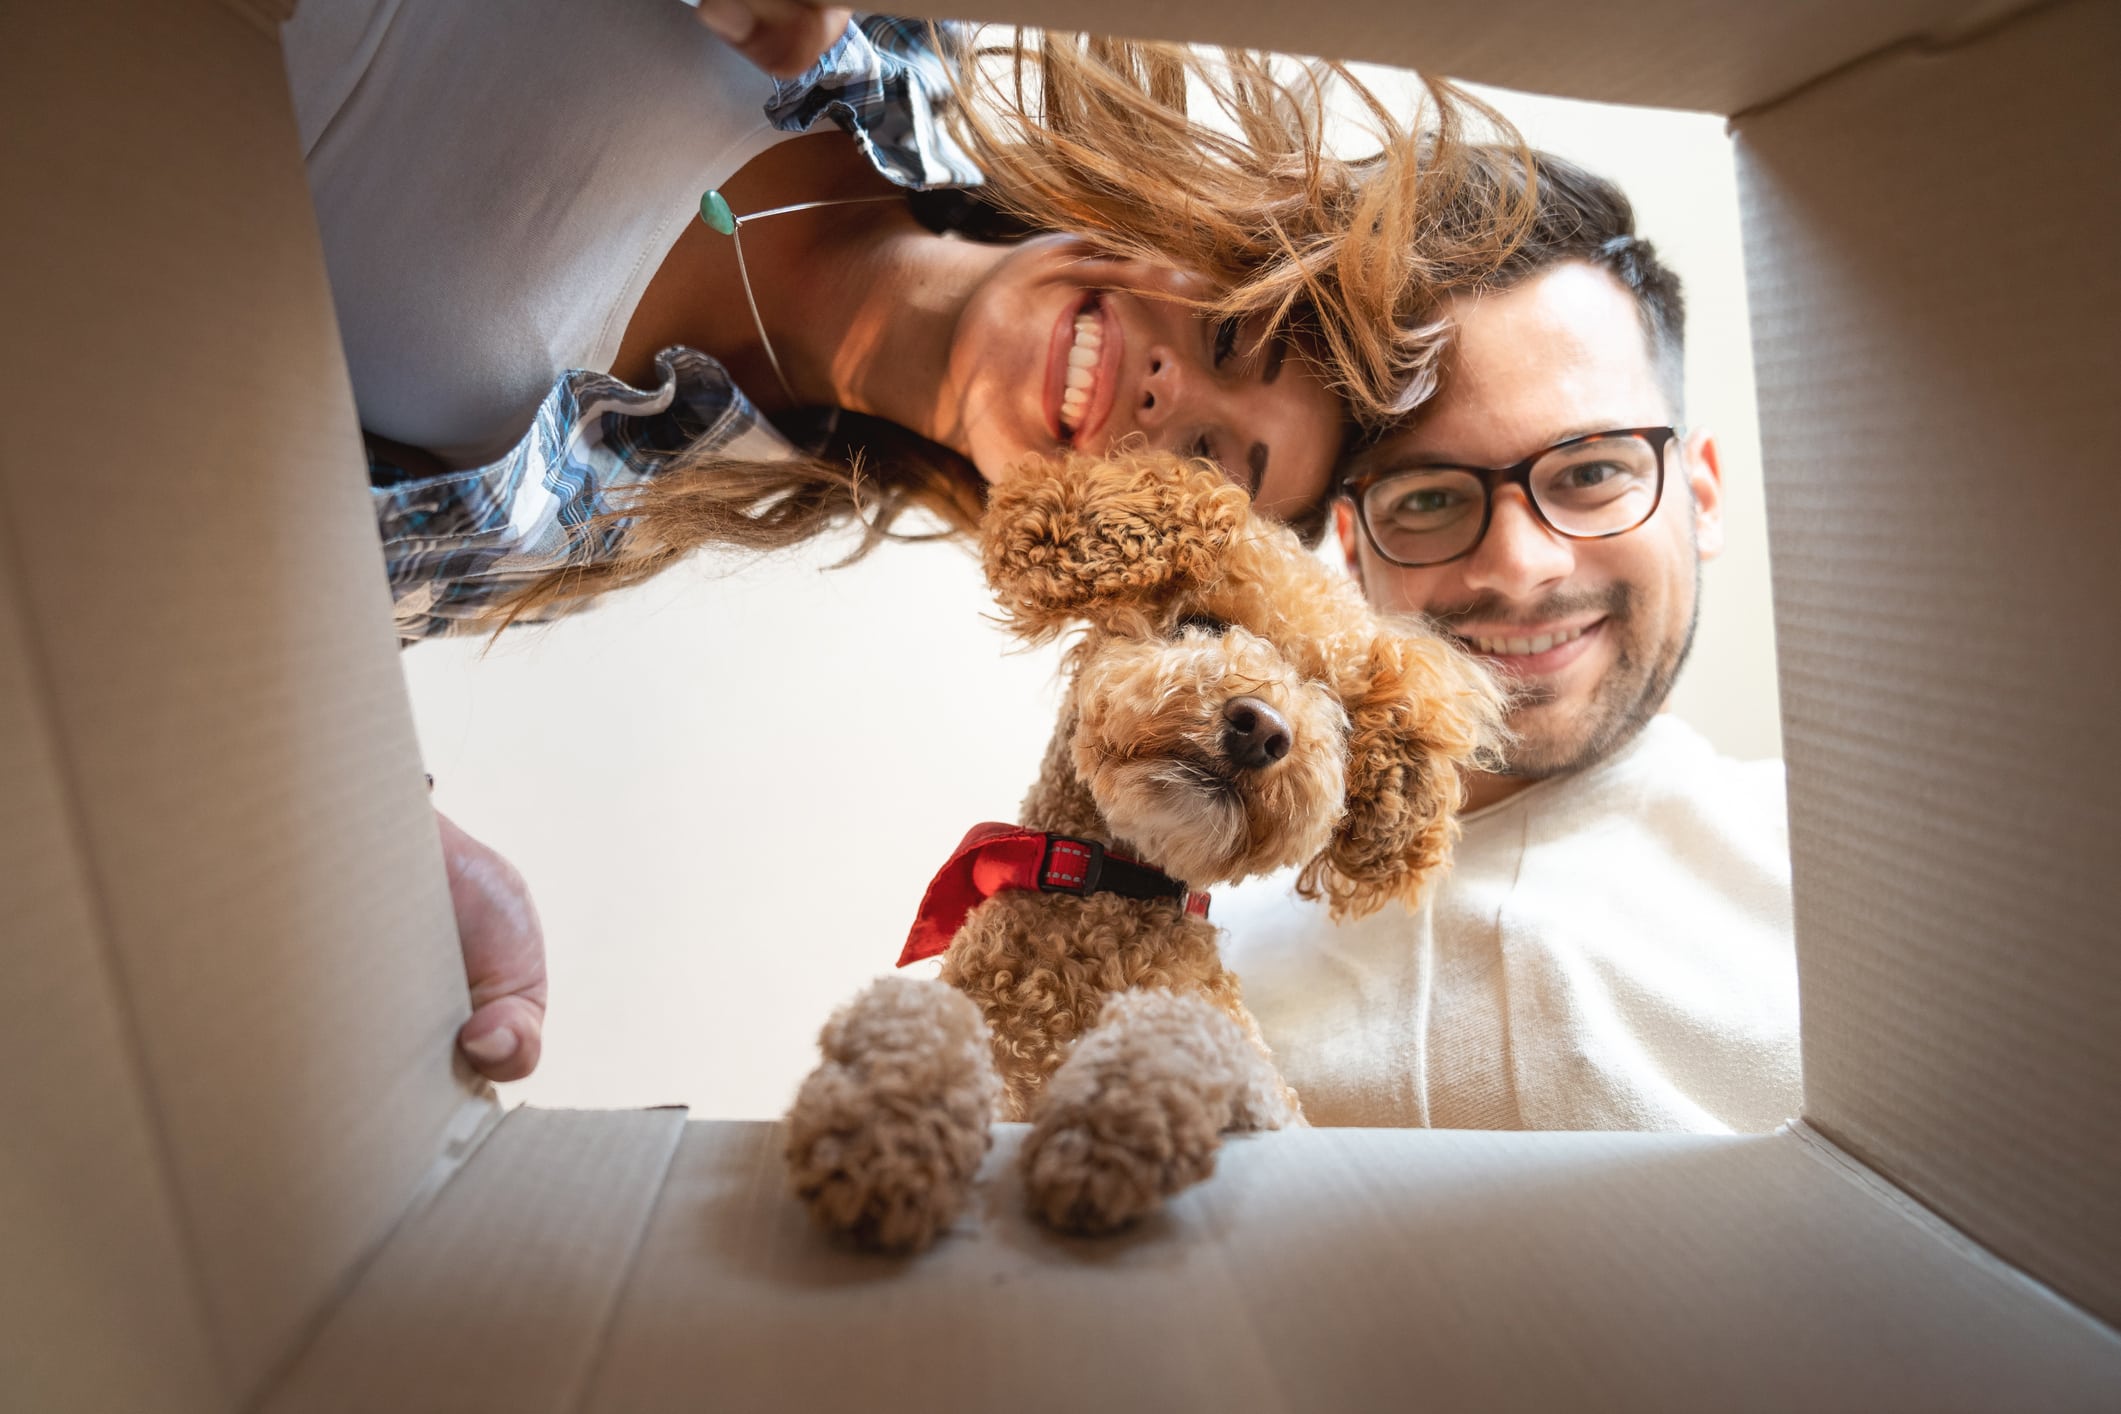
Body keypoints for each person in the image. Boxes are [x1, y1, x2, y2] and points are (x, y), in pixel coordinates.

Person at [280, 2, 1531, 1079]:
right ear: (1175, 235)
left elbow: (217, 574)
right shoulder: (875, 37)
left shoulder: (598, 514)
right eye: (1225, 343)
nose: (1167, 401)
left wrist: (398, 836)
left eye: (1210, 464)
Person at [1221, 148, 1801, 1134]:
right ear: (1354, 549)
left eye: (1590, 473)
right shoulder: (1210, 991)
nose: (1522, 565)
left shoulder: (1878, 894)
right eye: (1434, 497)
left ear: (1699, 497)